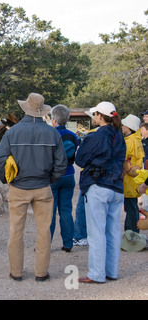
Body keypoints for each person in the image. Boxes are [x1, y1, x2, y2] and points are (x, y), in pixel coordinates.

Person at [0, 93, 67, 282]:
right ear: (42, 111)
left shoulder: (13, 132)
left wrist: (7, 178)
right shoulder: (52, 133)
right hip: (43, 186)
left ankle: (16, 272)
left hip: (18, 186)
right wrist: (51, 179)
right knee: (44, 231)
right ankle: (41, 273)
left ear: (26, 108)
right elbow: (61, 163)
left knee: (16, 230)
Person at [75, 101, 125, 283]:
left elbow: (80, 159)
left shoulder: (96, 136)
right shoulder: (119, 136)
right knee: (112, 231)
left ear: (98, 115)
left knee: (96, 232)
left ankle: (96, 273)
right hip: (117, 187)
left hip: (98, 186)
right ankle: (111, 271)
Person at [49, 105, 79, 252]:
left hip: (54, 176)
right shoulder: (73, 136)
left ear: (54, 120)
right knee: (66, 210)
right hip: (69, 174)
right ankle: (68, 243)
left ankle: (45, 243)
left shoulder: (50, 134)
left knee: (50, 211)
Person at [73, 110, 99, 246]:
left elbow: (80, 157)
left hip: (89, 175)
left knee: (82, 207)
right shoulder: (115, 134)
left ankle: (80, 234)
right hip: (106, 178)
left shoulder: (92, 135)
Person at [121, 114, 144, 233]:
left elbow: (124, 159)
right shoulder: (138, 140)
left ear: (129, 127)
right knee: (133, 207)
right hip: (135, 179)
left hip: (128, 180)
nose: (122, 127)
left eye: (124, 125)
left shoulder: (129, 142)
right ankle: (135, 232)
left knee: (130, 209)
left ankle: (131, 234)